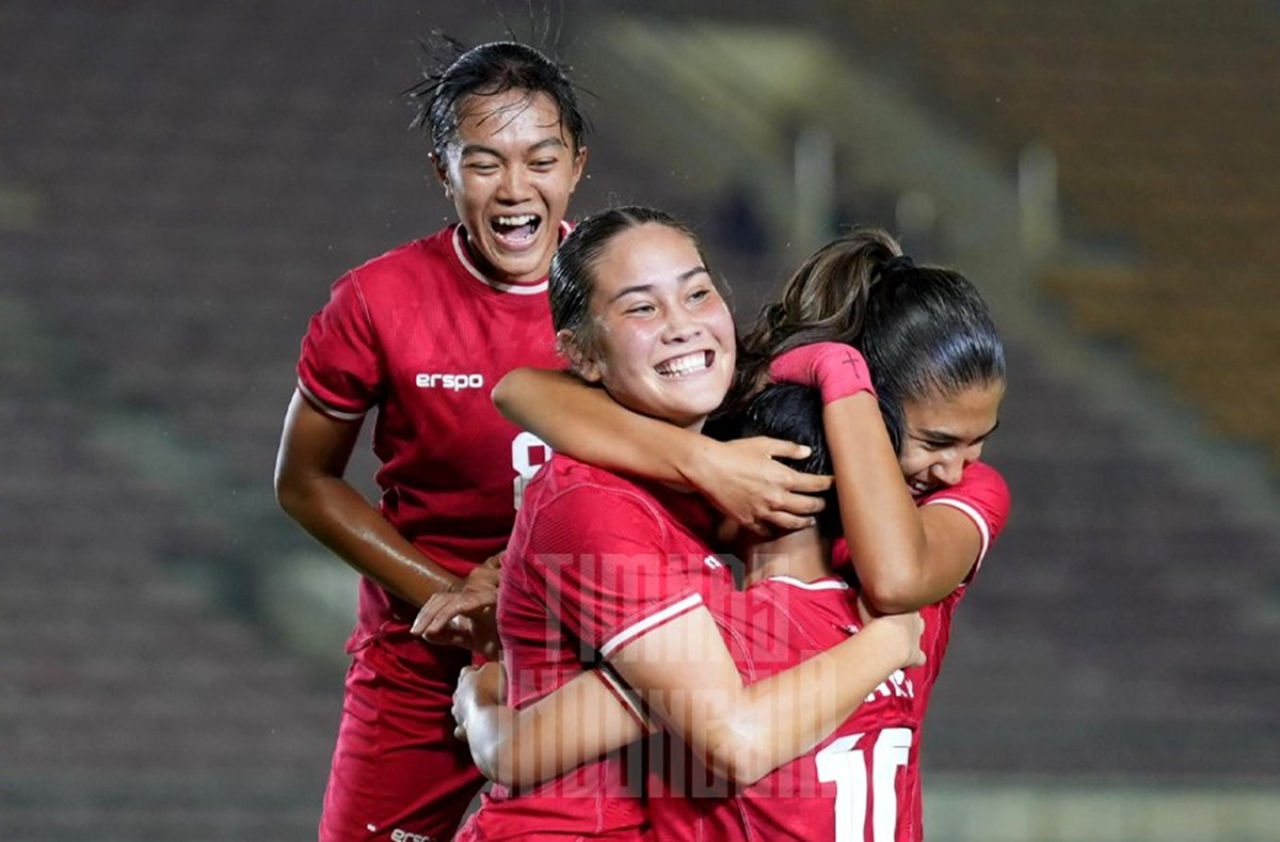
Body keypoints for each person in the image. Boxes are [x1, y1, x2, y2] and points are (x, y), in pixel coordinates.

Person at [438, 227, 1009, 840]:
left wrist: (481, 696)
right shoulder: (915, 600)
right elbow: (521, 389)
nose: (958, 468)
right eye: (935, 443)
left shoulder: (725, 631)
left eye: (978, 443)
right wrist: (702, 460)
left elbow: (519, 753)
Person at [271, 39, 594, 842]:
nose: (516, 189)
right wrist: (453, 596)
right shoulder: (377, 301)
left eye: (540, 159)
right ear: (442, 173)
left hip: (598, 650)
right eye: (484, 163)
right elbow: (304, 480)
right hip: (422, 656)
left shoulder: (629, 290)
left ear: (577, 167)